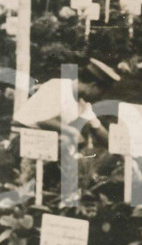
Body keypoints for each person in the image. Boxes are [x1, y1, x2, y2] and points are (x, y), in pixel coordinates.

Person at [11, 58, 119, 199]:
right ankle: (43, 188)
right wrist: (70, 131)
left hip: (50, 146)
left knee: (75, 150)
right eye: (100, 93)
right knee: (68, 142)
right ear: (93, 86)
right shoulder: (57, 87)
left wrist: (121, 148)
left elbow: (97, 129)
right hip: (25, 140)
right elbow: (42, 119)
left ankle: (59, 190)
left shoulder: (82, 103)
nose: (99, 98)